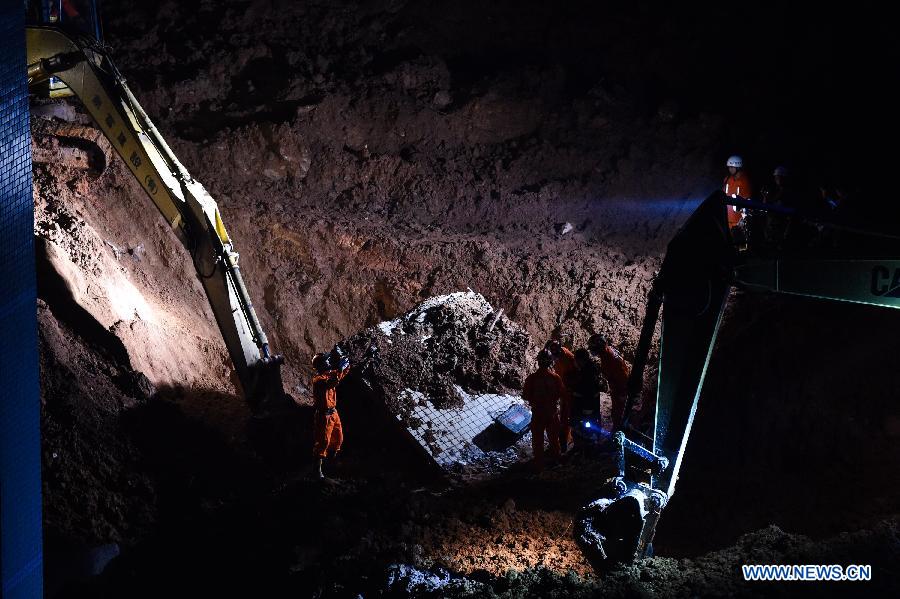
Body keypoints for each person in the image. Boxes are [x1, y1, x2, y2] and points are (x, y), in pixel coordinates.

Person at [523, 350, 564, 472]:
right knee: (554, 439)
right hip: (551, 413)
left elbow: (525, 395)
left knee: (538, 441)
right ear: (550, 362)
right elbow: (562, 393)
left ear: (538, 362)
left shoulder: (531, 379)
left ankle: (539, 465)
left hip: (538, 413)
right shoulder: (556, 378)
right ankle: (556, 461)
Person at [312, 349, 350, 479]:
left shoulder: (330, 374)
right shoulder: (318, 380)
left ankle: (332, 463)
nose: (329, 362)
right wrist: (339, 369)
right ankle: (318, 471)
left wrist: (346, 362)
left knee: (338, 438)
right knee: (323, 442)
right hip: (324, 416)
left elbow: (342, 373)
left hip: (334, 413)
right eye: (326, 361)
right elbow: (332, 383)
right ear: (321, 365)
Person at [588, 334, 631, 430]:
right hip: (618, 387)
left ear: (599, 347)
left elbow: (622, 375)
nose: (592, 350)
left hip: (620, 389)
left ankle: (618, 435)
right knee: (615, 413)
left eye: (593, 348)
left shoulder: (610, 358)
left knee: (618, 414)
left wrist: (621, 392)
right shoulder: (607, 353)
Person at [545, 339, 576, 452]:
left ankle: (565, 441)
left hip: (569, 390)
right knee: (564, 414)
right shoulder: (559, 355)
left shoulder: (568, 358)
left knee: (566, 415)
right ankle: (564, 439)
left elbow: (574, 375)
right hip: (564, 388)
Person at [570, 348, 603, 443]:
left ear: (580, 360)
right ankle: (592, 439)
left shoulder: (587, 373)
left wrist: (586, 410)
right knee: (592, 423)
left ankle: (589, 445)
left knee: (587, 427)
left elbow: (588, 391)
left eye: (576, 360)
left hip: (587, 406)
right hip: (592, 404)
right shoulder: (591, 368)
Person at [722, 155, 753, 229]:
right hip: (727, 218)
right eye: (729, 167)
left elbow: (748, 201)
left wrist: (743, 218)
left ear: (738, 167)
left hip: (738, 221)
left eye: (732, 167)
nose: (730, 169)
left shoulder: (745, 181)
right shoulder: (727, 179)